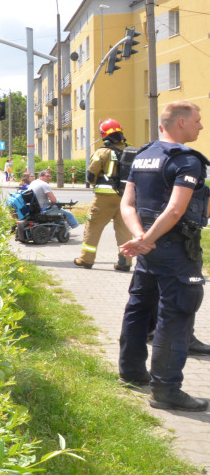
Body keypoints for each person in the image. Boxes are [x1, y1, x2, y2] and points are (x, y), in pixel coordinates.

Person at [118, 100, 209, 411]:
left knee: (139, 309)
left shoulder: (142, 155)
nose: (200, 125)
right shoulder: (187, 161)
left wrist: (139, 239)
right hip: (173, 250)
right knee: (176, 315)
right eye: (197, 120)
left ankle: (131, 373)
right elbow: (174, 210)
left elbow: (127, 204)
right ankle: (166, 390)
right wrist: (148, 240)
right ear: (181, 123)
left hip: (148, 250)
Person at [74, 119, 134, 272]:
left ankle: (86, 259)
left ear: (103, 135)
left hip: (104, 199)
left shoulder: (102, 152)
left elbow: (90, 176)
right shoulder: (133, 152)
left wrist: (96, 184)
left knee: (93, 227)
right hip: (126, 198)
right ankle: (125, 262)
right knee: (124, 230)